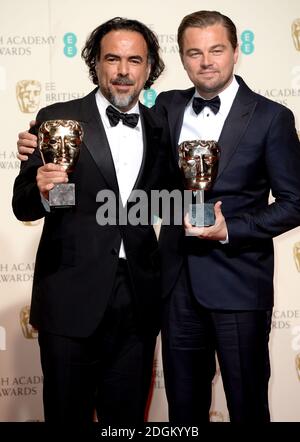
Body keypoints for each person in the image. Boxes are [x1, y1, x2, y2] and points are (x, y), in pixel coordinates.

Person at [12, 17, 170, 424]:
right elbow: (22, 205)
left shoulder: (160, 126)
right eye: (112, 59)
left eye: (134, 60)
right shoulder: (56, 118)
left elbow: (174, 199)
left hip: (137, 301)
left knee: (128, 421)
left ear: (148, 67)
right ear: (95, 64)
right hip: (69, 297)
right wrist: (45, 193)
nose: (123, 71)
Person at [154, 10, 300, 422]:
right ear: (182, 59)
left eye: (216, 50)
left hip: (239, 284)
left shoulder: (271, 117)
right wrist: (39, 141)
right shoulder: (166, 107)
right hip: (177, 285)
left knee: (247, 404)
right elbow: (123, 142)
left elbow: (295, 201)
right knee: (184, 410)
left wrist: (228, 230)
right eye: (194, 52)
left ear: (236, 52)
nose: (206, 61)